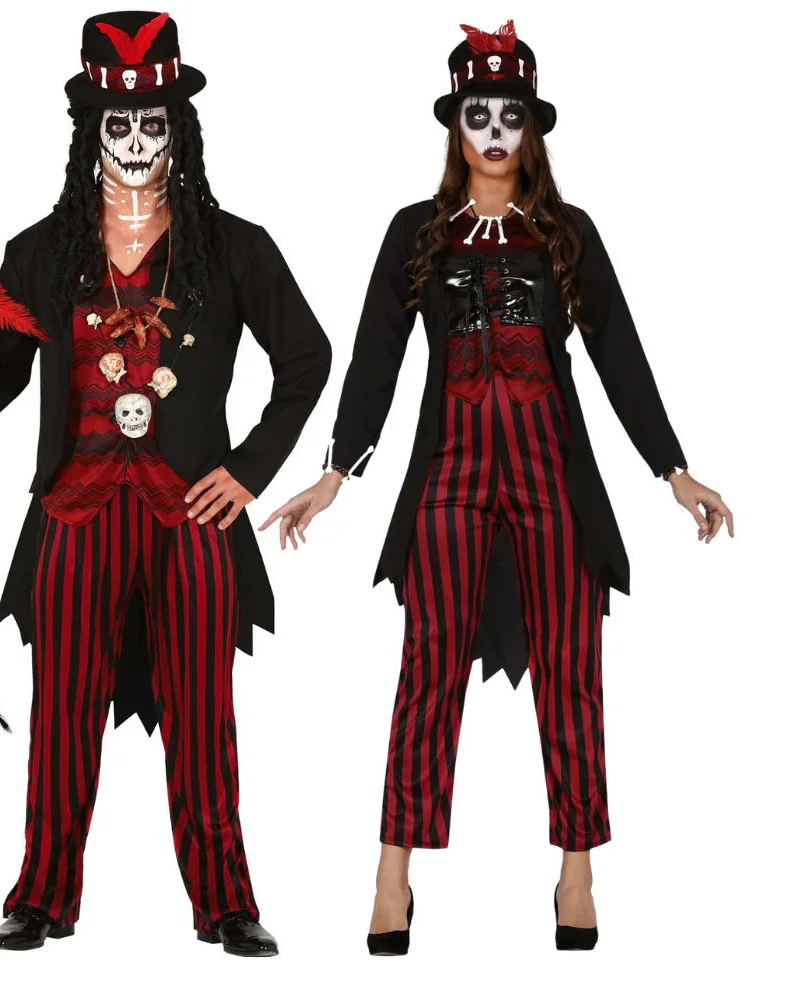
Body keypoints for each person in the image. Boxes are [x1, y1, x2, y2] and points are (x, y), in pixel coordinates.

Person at [261, 18, 733, 953]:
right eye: (477, 115)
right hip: (450, 472)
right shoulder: (417, 231)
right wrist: (336, 473)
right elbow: (375, 358)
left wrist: (671, 468)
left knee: (572, 668)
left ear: (532, 128)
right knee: (428, 668)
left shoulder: (567, 232)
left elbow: (619, 353)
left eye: (509, 116)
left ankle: (576, 871)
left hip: (553, 473)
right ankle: (392, 874)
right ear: (455, 124)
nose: (492, 133)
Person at [0, 10, 331, 957]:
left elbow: (307, 358)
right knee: (61, 714)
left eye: (153, 124)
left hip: (192, 515)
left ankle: (225, 901)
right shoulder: (40, 252)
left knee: (204, 714)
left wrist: (247, 470)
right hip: (74, 511)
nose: (137, 142)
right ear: (90, 131)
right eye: (119, 124)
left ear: (178, 130)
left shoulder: (235, 247)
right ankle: (41, 897)